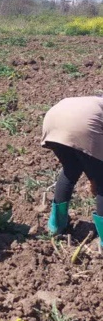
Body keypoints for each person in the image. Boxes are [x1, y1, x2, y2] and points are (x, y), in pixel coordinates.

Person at [41, 96, 103, 246]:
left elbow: (90, 159)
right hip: (82, 125)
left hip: (53, 121)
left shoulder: (94, 101)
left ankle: (56, 225)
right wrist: (96, 179)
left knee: (71, 169)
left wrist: (92, 178)